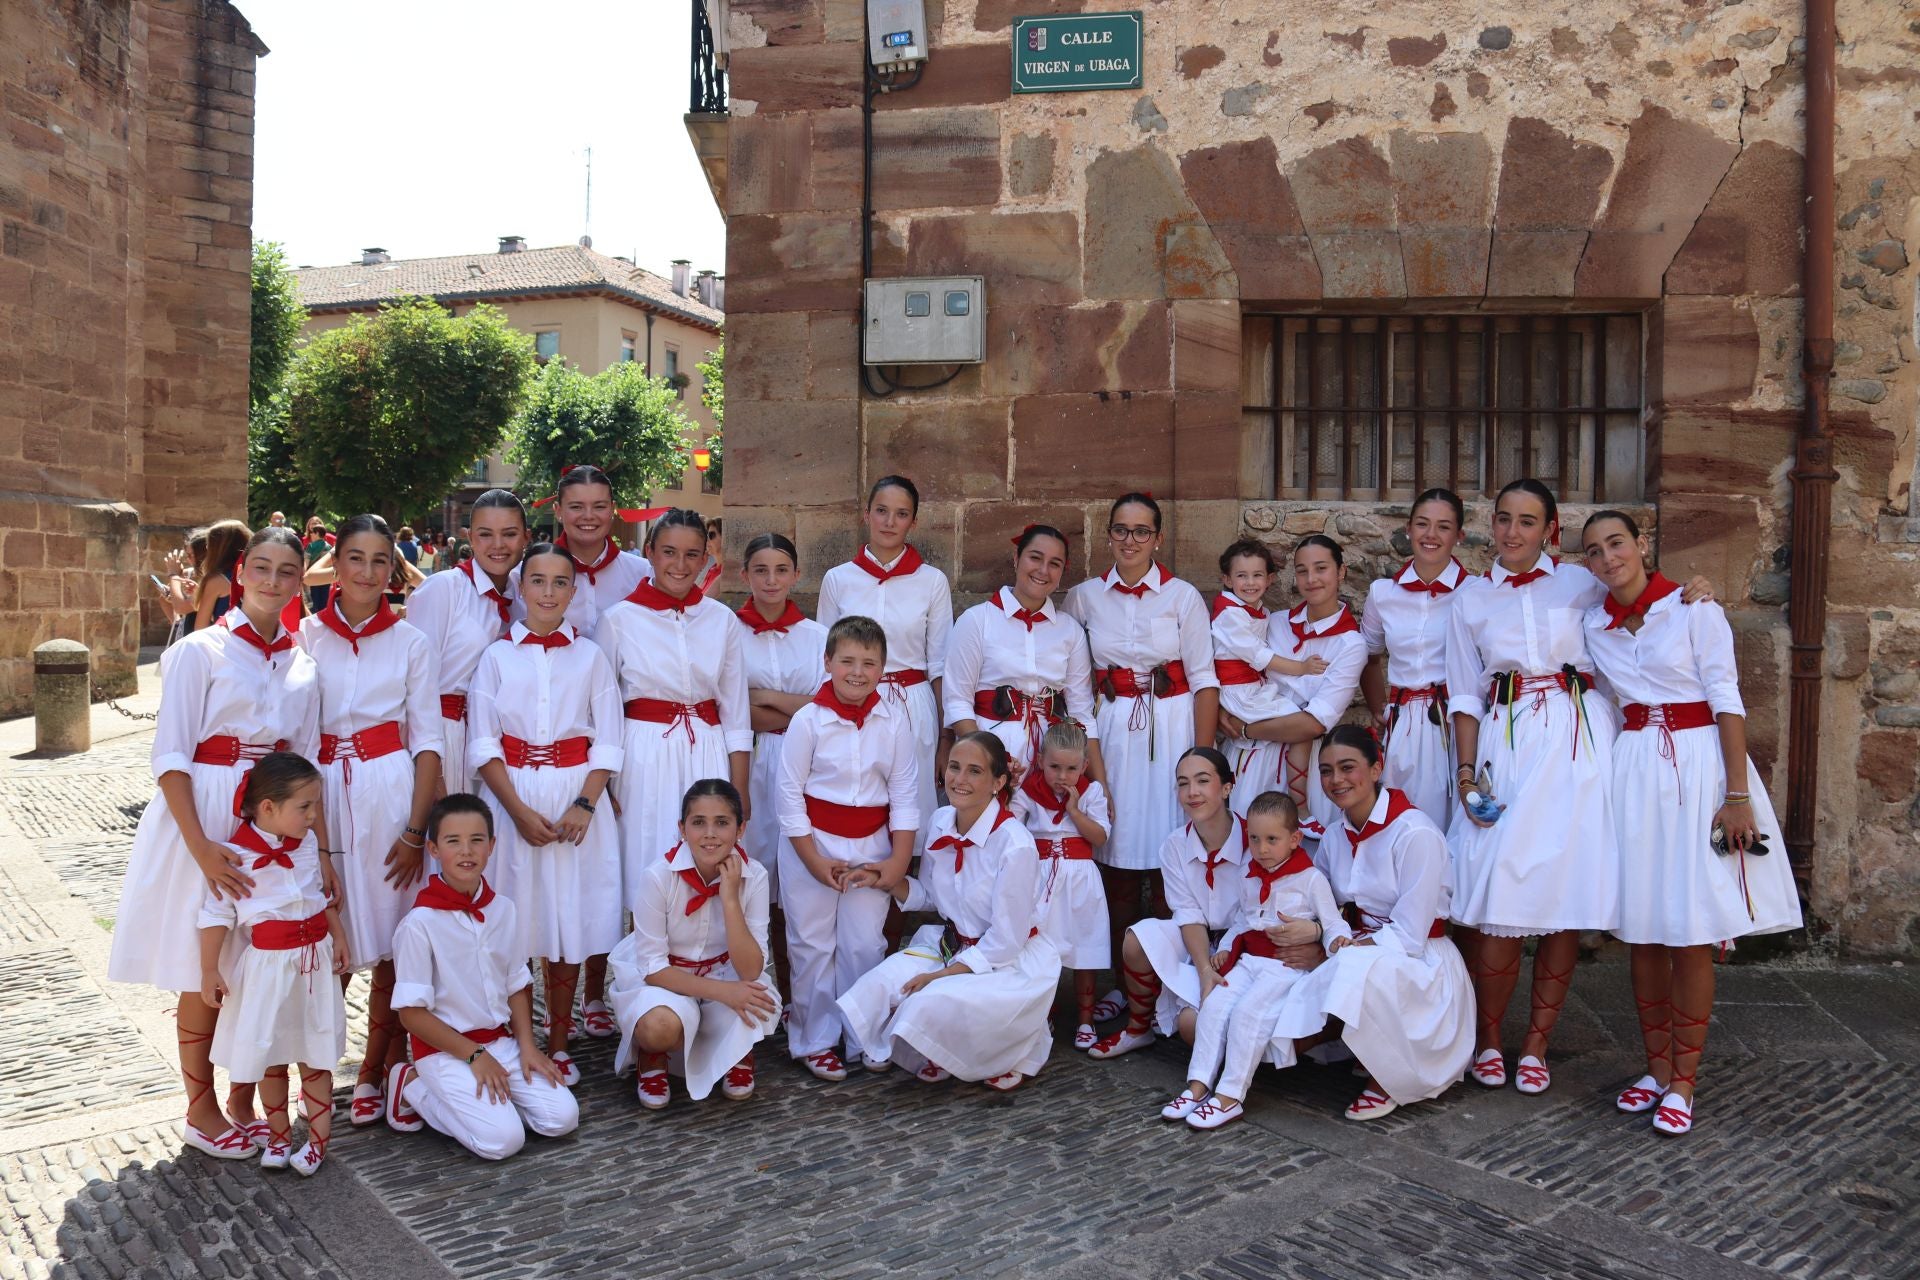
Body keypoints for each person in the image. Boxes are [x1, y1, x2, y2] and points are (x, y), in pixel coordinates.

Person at [1580, 510, 1801, 1136]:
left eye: (1616, 543)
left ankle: (1684, 1079)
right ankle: (1653, 1067)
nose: (1607, 558)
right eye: (1594, 551)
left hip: (1699, 768)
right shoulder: (1594, 624)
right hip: (1635, 775)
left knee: (1690, 928)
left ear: (1641, 544)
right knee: (1644, 927)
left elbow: (1727, 699)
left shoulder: (1693, 609)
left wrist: (1736, 796)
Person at [107, 526, 323, 1159]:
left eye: (289, 570)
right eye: (262, 567)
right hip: (203, 813)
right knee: (200, 966)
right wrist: (200, 846)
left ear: (299, 578)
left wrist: (318, 852)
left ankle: (241, 1098)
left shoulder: (303, 662)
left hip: (271, 819)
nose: (274, 580)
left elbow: (305, 763)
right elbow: (171, 754)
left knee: (253, 963)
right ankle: (199, 1109)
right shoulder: (200, 651)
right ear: (241, 571)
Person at [1444, 478, 1620, 1097]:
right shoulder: (1468, 600)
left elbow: (1638, 603)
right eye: (1503, 520)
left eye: (1527, 521)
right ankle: (1490, 1039)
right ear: (1490, 526)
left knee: (1563, 899)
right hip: (1507, 743)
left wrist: (1694, 591)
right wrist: (1465, 775)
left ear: (1550, 530)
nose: (1512, 532)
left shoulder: (1582, 583)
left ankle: (1538, 1047)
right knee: (1499, 897)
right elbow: (1464, 693)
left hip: (1577, 744)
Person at [296, 514, 444, 1130]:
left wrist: (416, 832)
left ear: (393, 569)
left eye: (379, 561)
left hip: (388, 791)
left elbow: (428, 742)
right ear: (336, 562)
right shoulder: (306, 637)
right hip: (320, 795)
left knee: (388, 942)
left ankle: (375, 1070)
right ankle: (315, 1071)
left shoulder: (411, 642)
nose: (366, 572)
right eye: (355, 558)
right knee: (324, 937)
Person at [468, 543, 624, 1088]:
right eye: (538, 581)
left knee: (568, 918)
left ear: (574, 591)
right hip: (514, 797)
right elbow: (482, 742)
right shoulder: (496, 657)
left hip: (575, 797)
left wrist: (585, 802)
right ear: (520, 588)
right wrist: (513, 810)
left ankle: (561, 1041)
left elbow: (609, 738)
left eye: (561, 583)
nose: (549, 592)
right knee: (519, 919)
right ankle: (519, 1038)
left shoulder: (590, 657)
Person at [1271, 726, 1476, 1121]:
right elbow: (1326, 904)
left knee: (1348, 965)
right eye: (1327, 771)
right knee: (1295, 959)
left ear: (1377, 768)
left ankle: (1393, 1075)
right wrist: (1316, 935)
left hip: (1420, 961)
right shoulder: (1335, 835)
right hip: (1360, 944)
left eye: (1348, 767)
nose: (1336, 780)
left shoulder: (1415, 833)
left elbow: (1411, 933)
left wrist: (1336, 945)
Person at [1063, 493, 1218, 1011]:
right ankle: (1119, 984)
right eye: (1121, 530)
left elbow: (1203, 681)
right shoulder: (1084, 598)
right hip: (1112, 730)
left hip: (1170, 728)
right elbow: (1075, 678)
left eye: (1142, 531)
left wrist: (1202, 758)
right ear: (1108, 535)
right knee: (1116, 848)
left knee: (1168, 848)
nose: (1131, 541)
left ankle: (1167, 984)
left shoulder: (1182, 597)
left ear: (1158, 538)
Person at [838, 731, 1060, 1090]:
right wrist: (883, 878)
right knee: (877, 985)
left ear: (998, 782)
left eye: (975, 771)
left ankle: (1011, 1049)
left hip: (1007, 962)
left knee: (926, 1001)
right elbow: (929, 895)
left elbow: (1005, 942)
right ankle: (941, 1046)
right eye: (955, 767)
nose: (959, 779)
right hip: (949, 945)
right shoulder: (941, 820)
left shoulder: (1015, 844)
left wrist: (939, 977)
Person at [388, 794, 580, 1159]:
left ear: (492, 846)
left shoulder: (503, 910)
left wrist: (527, 1046)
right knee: (502, 1142)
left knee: (563, 1118)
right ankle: (412, 1086)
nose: (466, 851)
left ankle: (494, 1107)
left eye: (477, 840)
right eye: (453, 841)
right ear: (433, 848)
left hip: (500, 1042)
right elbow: (411, 1014)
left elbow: (516, 984)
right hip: (446, 1051)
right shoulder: (419, 924)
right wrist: (474, 1057)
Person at [776, 614, 921, 1080]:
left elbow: (903, 793)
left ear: (882, 669)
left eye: (869, 663)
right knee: (812, 944)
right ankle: (814, 1038)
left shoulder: (894, 720)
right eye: (847, 661)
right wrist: (813, 860)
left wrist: (897, 860)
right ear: (828, 662)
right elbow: (789, 794)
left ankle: (862, 1034)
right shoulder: (808, 721)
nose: (857, 672)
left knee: (863, 942)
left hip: (872, 847)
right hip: (812, 844)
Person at [197, 753, 348, 1174]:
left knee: (316, 1052)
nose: (314, 816)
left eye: (315, 806)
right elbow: (216, 915)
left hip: (314, 966)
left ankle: (317, 1143)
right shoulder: (233, 856)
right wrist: (211, 969)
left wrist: (339, 935)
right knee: (272, 1053)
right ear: (268, 808)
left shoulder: (306, 850)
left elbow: (319, 896)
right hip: (267, 968)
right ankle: (279, 1137)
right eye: (305, 807)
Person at [1162, 791, 1348, 1130]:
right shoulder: (1249, 873)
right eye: (1254, 839)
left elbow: (1332, 921)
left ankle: (1230, 1096)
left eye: (1272, 840)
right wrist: (1228, 946)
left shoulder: (1311, 878)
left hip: (1284, 966)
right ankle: (1198, 1086)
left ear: (1295, 839)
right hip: (1249, 959)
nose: (1261, 848)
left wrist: (1335, 941)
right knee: (1216, 1004)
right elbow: (1243, 920)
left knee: (1250, 1013)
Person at [607, 780, 780, 1110]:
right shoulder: (658, 877)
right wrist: (727, 993)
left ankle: (736, 1053)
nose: (710, 833)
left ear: (741, 828)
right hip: (669, 979)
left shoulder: (754, 875)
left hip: (725, 970)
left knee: (759, 1000)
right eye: (698, 822)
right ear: (682, 829)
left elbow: (750, 968)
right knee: (659, 1026)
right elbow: (654, 969)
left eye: (722, 822)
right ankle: (654, 1055)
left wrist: (729, 898)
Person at [816, 476, 953, 855]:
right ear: (867, 515)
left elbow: (941, 663)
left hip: (913, 705)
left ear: (914, 522)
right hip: (854, 704)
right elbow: (823, 659)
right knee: (861, 799)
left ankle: (909, 904)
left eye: (901, 514)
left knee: (914, 808)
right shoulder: (838, 579)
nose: (890, 522)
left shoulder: (932, 582)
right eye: (881, 511)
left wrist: (946, 739)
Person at [1088, 747, 1249, 1060]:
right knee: (1137, 939)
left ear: (1227, 787)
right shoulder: (1175, 845)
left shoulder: (1253, 838)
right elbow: (1187, 913)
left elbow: (1252, 915)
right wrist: (1204, 968)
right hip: (1199, 942)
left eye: (1203, 781)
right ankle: (1138, 1028)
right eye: (1183, 783)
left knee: (1193, 1027)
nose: (1192, 792)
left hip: (1245, 945)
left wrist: (1223, 956)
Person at [1217, 534, 1367, 839]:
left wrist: (1244, 728)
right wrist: (1221, 709)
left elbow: (1312, 723)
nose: (1311, 579)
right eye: (1301, 570)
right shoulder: (1274, 621)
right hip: (1248, 759)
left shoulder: (1351, 644)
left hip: (1302, 765)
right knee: (1240, 851)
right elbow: (1228, 662)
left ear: (1341, 572)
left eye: (1321, 568)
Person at [736, 532, 828, 1003]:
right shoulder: (730, 633)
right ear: (745, 574)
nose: (771, 580)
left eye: (780, 570)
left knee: (796, 879)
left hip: (804, 761)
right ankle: (753, 988)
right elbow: (732, 709)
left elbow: (825, 705)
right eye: (760, 570)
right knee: (754, 877)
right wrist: (794, 707)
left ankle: (798, 995)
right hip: (748, 760)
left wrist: (767, 696)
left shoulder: (815, 637)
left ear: (795, 574)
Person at [944, 524, 1102, 780]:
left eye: (1054, 563)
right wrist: (991, 764)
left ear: (1063, 571)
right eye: (1035, 558)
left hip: (1053, 763)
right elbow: (958, 702)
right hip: (990, 753)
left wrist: (1099, 783)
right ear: (1017, 558)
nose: (1043, 570)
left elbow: (1081, 713)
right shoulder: (976, 621)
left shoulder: (1070, 631)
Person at [404, 490, 528, 797]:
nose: (498, 545)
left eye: (509, 534)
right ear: (470, 538)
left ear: (525, 538)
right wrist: (434, 778)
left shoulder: (525, 597)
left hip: (502, 742)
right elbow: (413, 686)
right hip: (447, 737)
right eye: (485, 535)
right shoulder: (444, 589)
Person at [1359, 490, 1470, 829]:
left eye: (1443, 526)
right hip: (1405, 720)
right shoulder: (1383, 593)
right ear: (1408, 529)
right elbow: (1367, 656)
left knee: (1456, 823)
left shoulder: (1476, 592)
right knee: (1403, 818)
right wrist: (1381, 709)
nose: (1431, 535)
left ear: (1459, 536)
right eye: (1422, 524)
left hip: (1457, 719)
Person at [1009, 720, 1111, 1049]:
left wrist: (1075, 811)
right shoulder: (1029, 791)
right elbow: (1008, 825)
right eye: (1054, 767)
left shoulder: (1092, 792)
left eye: (1071, 768)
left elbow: (1100, 836)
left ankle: (1085, 1019)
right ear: (1040, 761)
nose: (1062, 776)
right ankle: (1044, 1013)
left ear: (1084, 765)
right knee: (1042, 947)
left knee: (1085, 945)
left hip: (1081, 877)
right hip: (1040, 877)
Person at [1211, 539, 1328, 812]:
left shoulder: (1260, 611)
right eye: (1241, 576)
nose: (1250, 583)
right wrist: (1301, 668)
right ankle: (1300, 804)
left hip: (1255, 687)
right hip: (1240, 692)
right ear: (1227, 579)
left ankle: (1297, 798)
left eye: (1257, 575)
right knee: (1301, 727)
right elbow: (1258, 655)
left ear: (1270, 578)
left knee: (1301, 726)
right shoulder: (1229, 614)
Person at [525, 464, 650, 634]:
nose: (589, 516)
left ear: (612, 509)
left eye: (599, 506)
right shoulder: (526, 576)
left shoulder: (643, 574)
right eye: (576, 507)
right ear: (558, 511)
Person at [188, 519, 249, 634]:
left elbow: (200, 628)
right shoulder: (255, 574)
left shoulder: (216, 580)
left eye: (209, 545)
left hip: (226, 643)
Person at [303, 517, 334, 613]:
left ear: (317, 533)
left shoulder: (311, 546)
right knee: (324, 602)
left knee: (313, 602)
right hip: (326, 578)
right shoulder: (329, 546)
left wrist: (303, 574)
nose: (311, 534)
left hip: (313, 577)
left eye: (313, 532)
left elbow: (305, 562)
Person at [700, 517, 725, 592]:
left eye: (711, 535)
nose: (707, 540)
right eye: (706, 536)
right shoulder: (712, 569)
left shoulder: (729, 574)